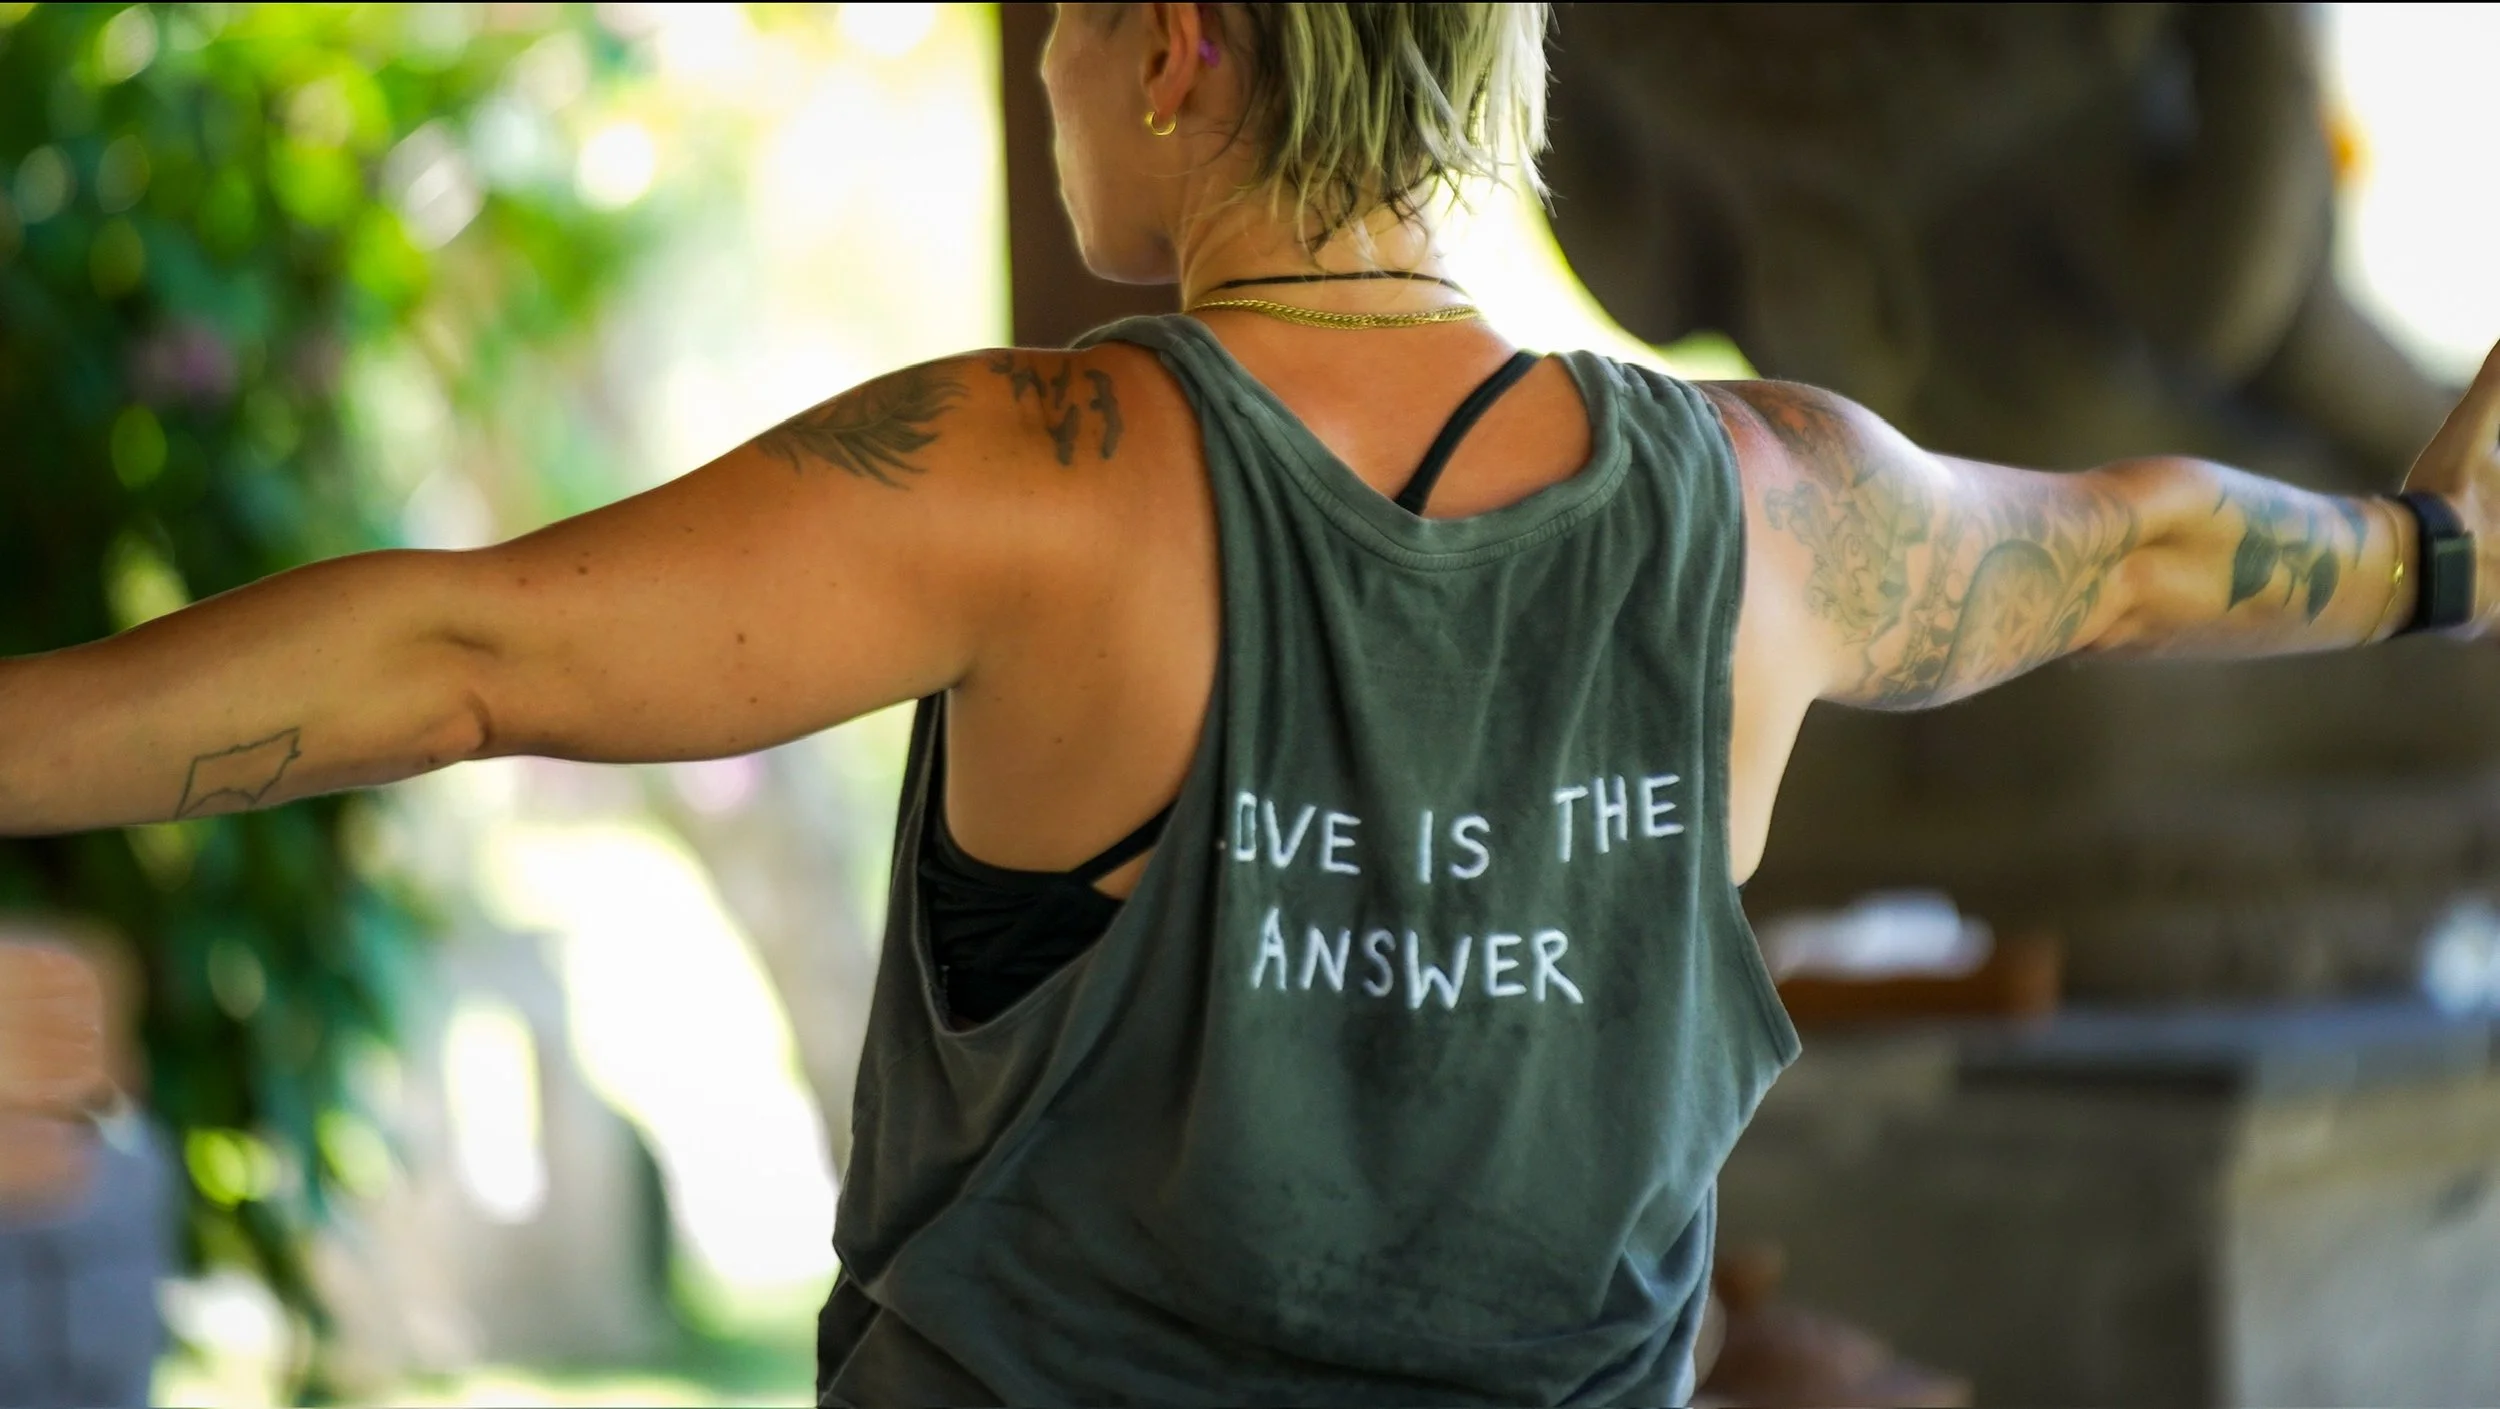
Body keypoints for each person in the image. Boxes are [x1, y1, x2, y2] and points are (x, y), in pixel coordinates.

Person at [2, 2, 2494, 1403]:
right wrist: (2437, 561)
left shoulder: (1044, 472)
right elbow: (2145, 547)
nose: (1060, 62)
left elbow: (459, 655)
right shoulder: (1769, 512)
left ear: (1179, 47)